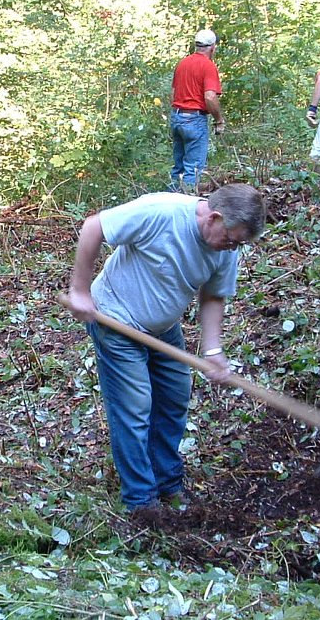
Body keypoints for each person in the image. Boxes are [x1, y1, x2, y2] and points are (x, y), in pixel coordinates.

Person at [65, 184, 266, 512]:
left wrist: (213, 351)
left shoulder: (225, 249)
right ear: (214, 217)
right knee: (135, 408)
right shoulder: (161, 212)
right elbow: (94, 226)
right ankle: (141, 503)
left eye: (239, 244)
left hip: (162, 328)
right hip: (115, 318)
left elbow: (214, 295)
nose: (233, 248)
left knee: (174, 397)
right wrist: (80, 291)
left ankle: (167, 483)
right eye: (231, 239)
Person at [169, 29, 226, 193]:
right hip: (194, 120)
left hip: (177, 116)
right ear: (212, 47)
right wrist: (219, 119)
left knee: (178, 168)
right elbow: (209, 97)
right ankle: (186, 206)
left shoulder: (182, 63)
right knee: (192, 169)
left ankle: (170, 202)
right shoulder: (208, 66)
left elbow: (173, 93)